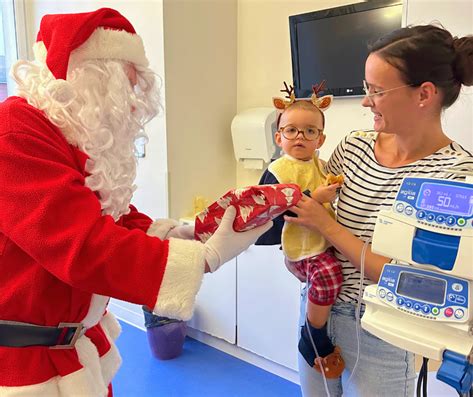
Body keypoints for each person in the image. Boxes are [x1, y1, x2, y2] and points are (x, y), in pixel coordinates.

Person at [0, 8, 271, 396]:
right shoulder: (16, 131)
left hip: (73, 350)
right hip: (24, 364)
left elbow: (114, 216)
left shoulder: (71, 137)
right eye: (121, 88)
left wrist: (186, 232)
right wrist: (206, 257)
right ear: (84, 80)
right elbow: (83, 245)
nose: (130, 106)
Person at [285, 24, 473, 396]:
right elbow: (310, 216)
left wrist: (326, 226)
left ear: (424, 94)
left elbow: (416, 282)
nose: (365, 101)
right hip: (318, 309)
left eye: (377, 90)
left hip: (384, 336)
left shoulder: (457, 176)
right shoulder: (352, 148)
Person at [256, 82, 345, 378]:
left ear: (320, 139)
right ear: (279, 137)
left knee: (331, 273)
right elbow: (272, 207)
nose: (300, 137)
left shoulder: (319, 164)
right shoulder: (280, 169)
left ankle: (314, 326)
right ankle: (314, 333)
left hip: (320, 240)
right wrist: (314, 198)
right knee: (330, 274)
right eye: (291, 130)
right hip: (301, 246)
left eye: (309, 131)